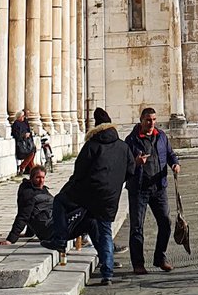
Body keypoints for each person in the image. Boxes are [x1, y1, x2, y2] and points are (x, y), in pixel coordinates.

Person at [45, 107, 135, 284]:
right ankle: (107, 273)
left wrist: (70, 188)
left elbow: (79, 172)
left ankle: (60, 239)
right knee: (104, 229)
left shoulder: (92, 145)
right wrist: (115, 183)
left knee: (60, 201)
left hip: (90, 193)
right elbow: (131, 170)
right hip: (110, 197)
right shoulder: (123, 147)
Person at [126, 107, 180, 275]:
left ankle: (160, 257)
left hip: (159, 187)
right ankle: (138, 263)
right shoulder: (131, 140)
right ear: (141, 120)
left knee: (165, 222)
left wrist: (175, 164)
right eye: (148, 120)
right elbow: (125, 164)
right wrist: (136, 162)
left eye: (154, 120)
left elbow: (170, 154)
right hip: (139, 189)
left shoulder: (161, 136)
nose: (151, 123)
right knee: (137, 227)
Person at [0, 165, 53, 246]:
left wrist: (29, 233)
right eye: (38, 177)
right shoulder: (28, 194)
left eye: (43, 178)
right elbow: (24, 215)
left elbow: (35, 213)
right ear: (31, 178)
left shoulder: (43, 190)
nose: (41, 181)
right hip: (49, 232)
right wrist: (11, 240)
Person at [12, 110, 35, 174]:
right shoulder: (16, 124)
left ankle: (31, 169)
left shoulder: (24, 123)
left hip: (27, 143)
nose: (23, 117)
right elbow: (16, 134)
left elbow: (28, 130)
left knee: (32, 152)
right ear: (19, 117)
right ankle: (25, 167)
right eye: (22, 116)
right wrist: (24, 135)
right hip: (21, 145)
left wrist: (28, 134)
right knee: (31, 153)